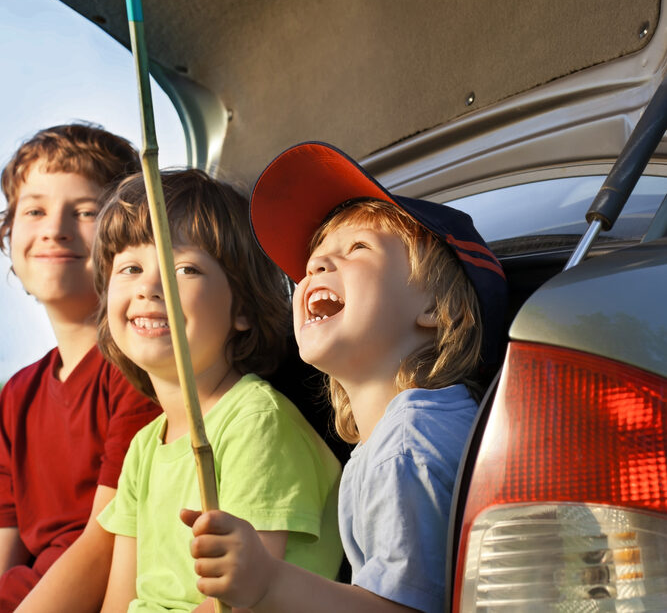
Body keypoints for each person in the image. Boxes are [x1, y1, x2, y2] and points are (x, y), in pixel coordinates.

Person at [182, 141, 509, 613]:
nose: (315, 264)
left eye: (357, 247)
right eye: (315, 255)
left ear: (436, 308)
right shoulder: (407, 436)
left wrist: (270, 583)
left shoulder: (407, 446)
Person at [93, 168, 343, 612]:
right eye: (130, 267)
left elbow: (240, 600)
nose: (150, 287)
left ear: (242, 309)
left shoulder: (256, 423)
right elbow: (117, 602)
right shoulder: (143, 450)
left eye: (184, 268)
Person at [0, 123, 161, 612]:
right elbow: (7, 549)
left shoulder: (138, 370)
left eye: (86, 211)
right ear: (9, 234)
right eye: (34, 210)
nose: (54, 228)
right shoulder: (17, 394)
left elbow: (107, 542)